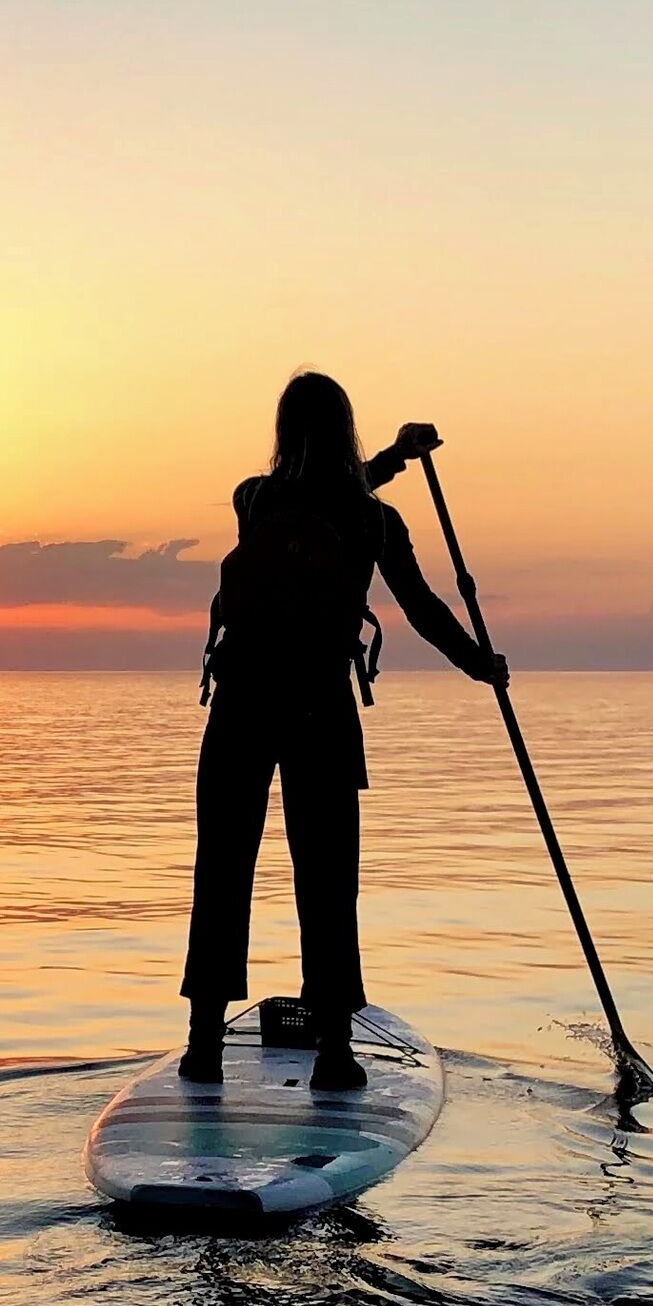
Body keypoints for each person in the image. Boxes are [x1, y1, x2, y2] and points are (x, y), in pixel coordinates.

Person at [180, 370, 505, 1091]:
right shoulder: (373, 522)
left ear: (282, 431)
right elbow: (419, 607)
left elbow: (320, 488)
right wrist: (479, 664)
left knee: (223, 871)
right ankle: (333, 1050)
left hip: (241, 702)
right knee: (327, 880)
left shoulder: (253, 500)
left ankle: (204, 1045)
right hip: (319, 710)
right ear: (347, 429)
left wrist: (391, 459)